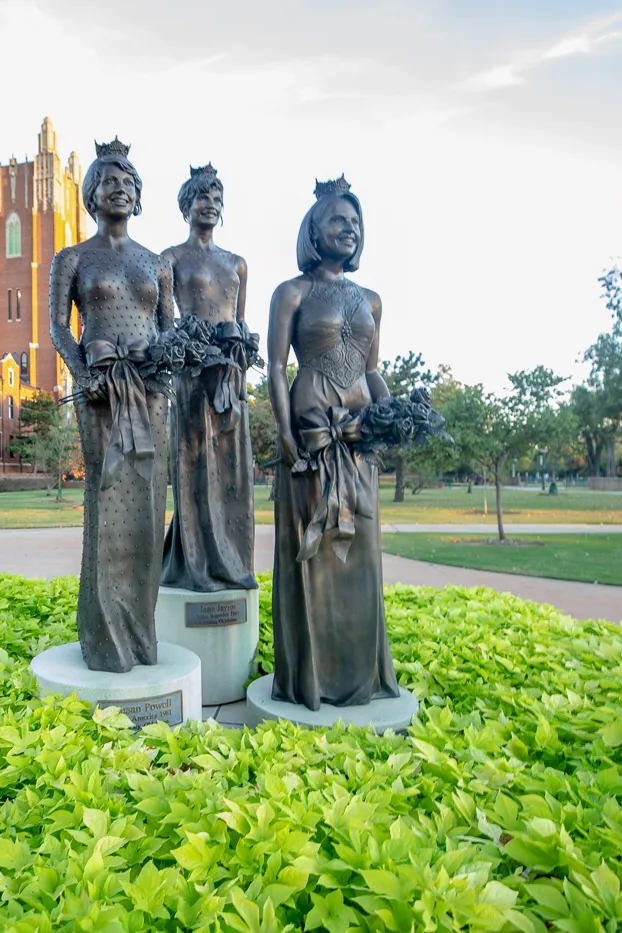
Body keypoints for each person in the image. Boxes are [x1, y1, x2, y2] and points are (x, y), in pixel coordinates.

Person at [265, 176, 401, 709]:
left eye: (355, 222)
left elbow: (372, 372)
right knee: (313, 555)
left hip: (358, 439)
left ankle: (360, 675)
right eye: (337, 221)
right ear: (313, 231)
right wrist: (283, 434)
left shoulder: (372, 300)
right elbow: (276, 367)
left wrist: (394, 417)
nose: (349, 229)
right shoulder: (291, 292)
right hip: (310, 437)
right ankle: (312, 680)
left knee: (359, 558)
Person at [49, 138, 173, 673]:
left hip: (149, 394)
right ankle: (104, 639)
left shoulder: (156, 262)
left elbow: (171, 330)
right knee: (107, 502)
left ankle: (142, 633)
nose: (118, 189)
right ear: (91, 194)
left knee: (147, 504)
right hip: (99, 392)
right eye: (108, 181)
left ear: (139, 195)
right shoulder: (72, 258)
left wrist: (163, 378)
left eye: (128, 182)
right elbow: (57, 325)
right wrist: (83, 373)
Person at [160, 164, 257, 592]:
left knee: (233, 468)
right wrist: (189, 348)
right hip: (192, 376)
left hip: (230, 379)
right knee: (194, 465)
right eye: (202, 197)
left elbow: (239, 320)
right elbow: (163, 327)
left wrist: (243, 348)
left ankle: (233, 563)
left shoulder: (237, 263)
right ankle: (196, 564)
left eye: (216, 199)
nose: (210, 205)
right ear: (187, 205)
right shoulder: (171, 259)